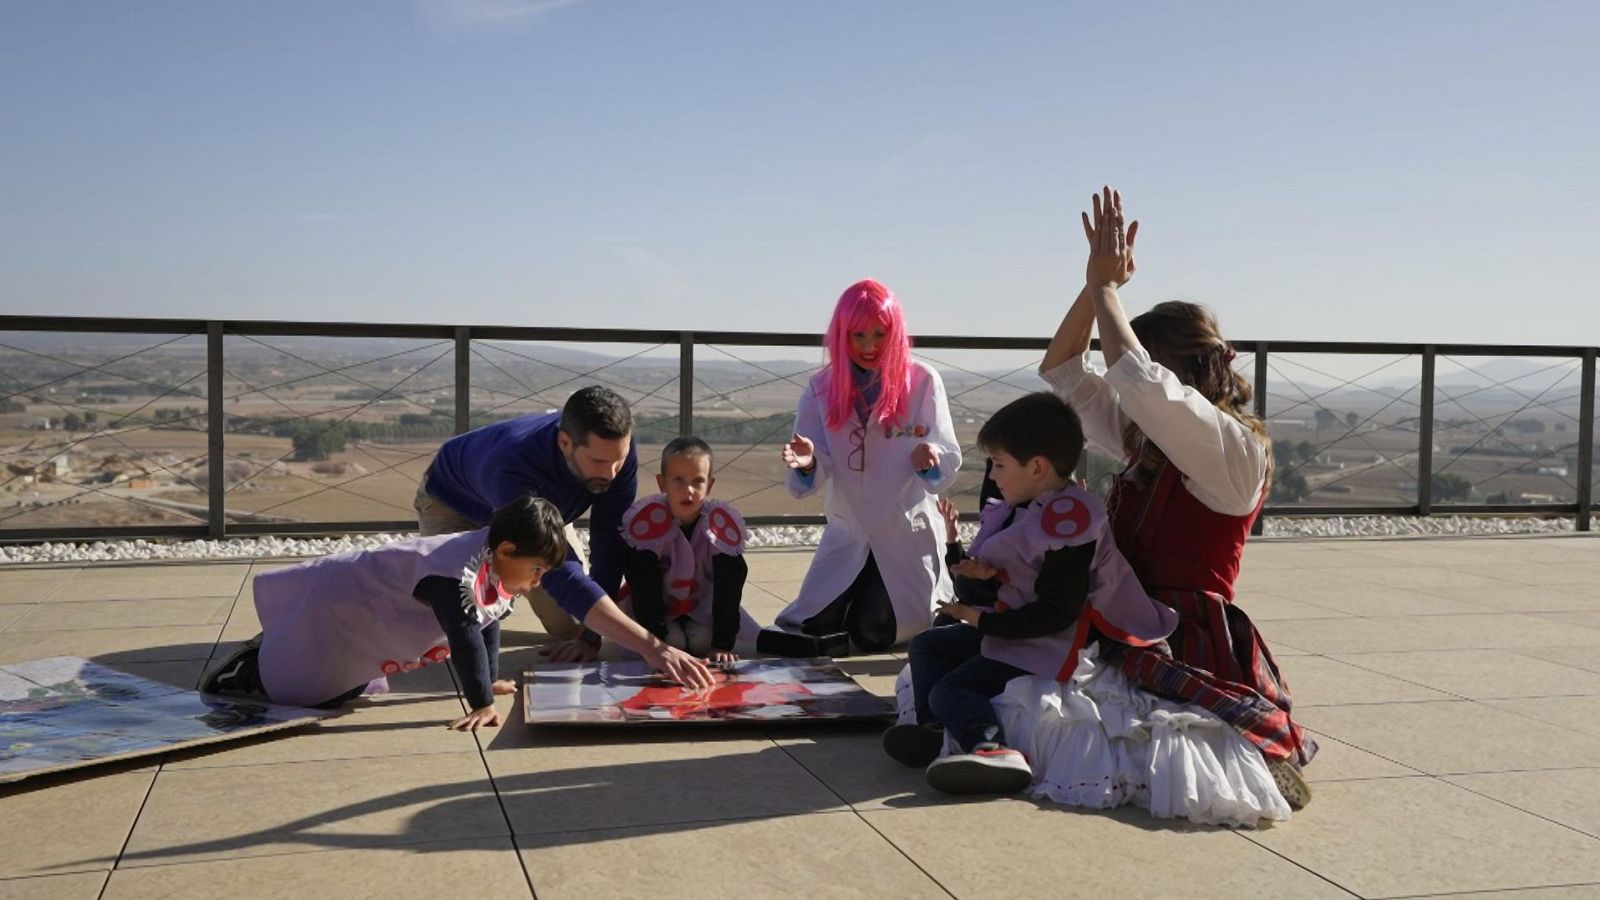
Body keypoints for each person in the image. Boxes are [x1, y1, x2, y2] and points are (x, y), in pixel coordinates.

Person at [1037, 186, 1315, 806]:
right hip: (1118, 612)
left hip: (1184, 631)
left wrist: (1109, 290)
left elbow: (1139, 382)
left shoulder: (1235, 451)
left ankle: (1252, 752)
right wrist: (1094, 287)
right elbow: (1061, 368)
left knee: (1160, 739)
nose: (1121, 364)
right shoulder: (1144, 433)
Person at [202, 496, 715, 731]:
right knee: (306, 689)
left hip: (366, 617)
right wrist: (479, 700)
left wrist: (491, 680)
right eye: (536, 570)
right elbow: (466, 632)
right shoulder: (457, 575)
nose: (538, 583)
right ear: (509, 549)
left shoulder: (495, 558)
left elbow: (490, 620)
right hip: (340, 604)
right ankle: (248, 669)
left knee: (346, 689)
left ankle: (272, 657)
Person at [881, 393, 1177, 795]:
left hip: (1054, 639)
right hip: (1016, 622)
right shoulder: (1028, 505)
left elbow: (1057, 612)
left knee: (952, 687)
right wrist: (973, 572)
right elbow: (1006, 581)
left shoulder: (1070, 525)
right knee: (928, 647)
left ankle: (991, 749)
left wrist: (981, 620)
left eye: (1000, 465)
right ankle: (936, 731)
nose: (994, 476)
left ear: (1037, 467)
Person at [765, 279, 962, 654]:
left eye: (879, 334)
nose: (869, 346)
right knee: (808, 625)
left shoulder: (923, 381)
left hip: (904, 532)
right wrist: (807, 462)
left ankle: (884, 605)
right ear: (842, 335)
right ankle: (851, 602)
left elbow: (947, 455)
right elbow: (811, 459)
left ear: (895, 332)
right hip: (849, 529)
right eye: (858, 335)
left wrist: (929, 460)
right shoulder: (820, 388)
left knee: (877, 632)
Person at [414, 385, 636, 663]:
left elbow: (610, 543)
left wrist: (589, 635)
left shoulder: (613, 449)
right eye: (598, 461)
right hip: (455, 504)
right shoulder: (513, 465)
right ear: (565, 442)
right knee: (459, 617)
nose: (611, 473)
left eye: (619, 461)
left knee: (572, 626)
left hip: (540, 510)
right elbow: (560, 572)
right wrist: (654, 649)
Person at [618, 436, 760, 661]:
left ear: (710, 484)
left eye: (698, 481)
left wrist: (722, 644)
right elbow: (644, 588)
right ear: (661, 482)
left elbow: (729, 588)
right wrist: (656, 640)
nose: (689, 490)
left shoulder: (720, 526)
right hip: (658, 610)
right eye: (678, 481)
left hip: (702, 607)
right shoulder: (647, 525)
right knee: (673, 644)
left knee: (704, 643)